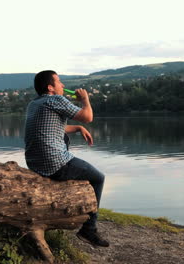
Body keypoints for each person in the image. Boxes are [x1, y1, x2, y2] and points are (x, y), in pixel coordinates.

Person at [24, 70, 109, 247]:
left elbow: (50, 129)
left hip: (34, 163)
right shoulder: (56, 100)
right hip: (53, 163)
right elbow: (88, 117)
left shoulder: (34, 104)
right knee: (99, 178)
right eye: (59, 82)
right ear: (50, 87)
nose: (62, 85)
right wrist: (85, 99)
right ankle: (89, 229)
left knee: (64, 143)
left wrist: (77, 128)